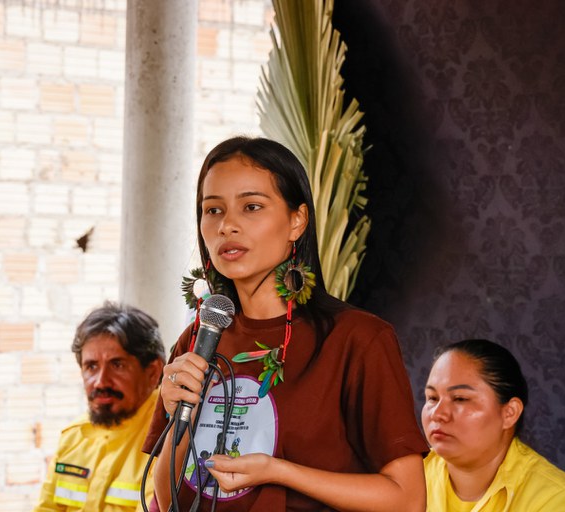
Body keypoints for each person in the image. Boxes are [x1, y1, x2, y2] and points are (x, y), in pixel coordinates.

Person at [142, 136, 428, 511]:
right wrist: (179, 413)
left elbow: (407, 500)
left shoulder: (357, 339)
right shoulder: (197, 340)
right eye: (213, 210)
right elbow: (166, 500)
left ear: (297, 221)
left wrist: (277, 472)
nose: (227, 225)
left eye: (252, 206)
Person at [422, 338, 565, 512]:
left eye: (460, 399)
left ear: (509, 413)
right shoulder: (411, 477)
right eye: (432, 398)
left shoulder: (557, 499)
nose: (437, 414)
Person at [34, 301, 165, 511]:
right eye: (91, 366)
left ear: (152, 372)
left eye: (117, 365)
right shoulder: (74, 437)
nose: (101, 382)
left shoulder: (170, 439)